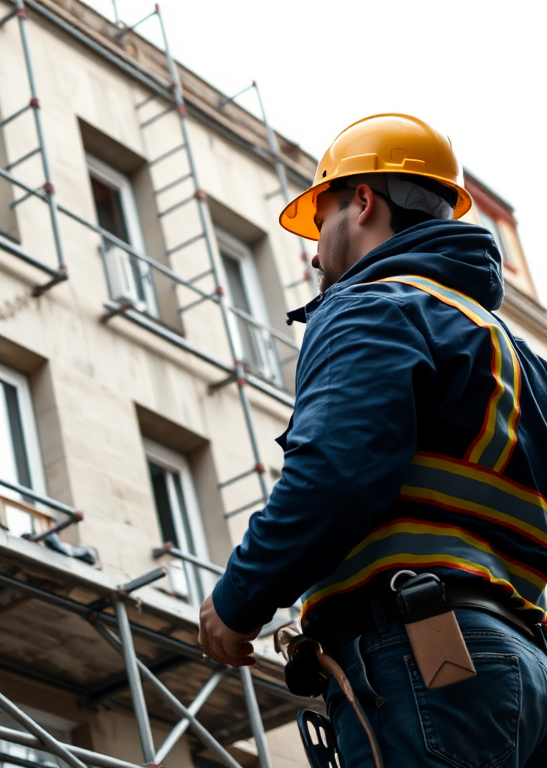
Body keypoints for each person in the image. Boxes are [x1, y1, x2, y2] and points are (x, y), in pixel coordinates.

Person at [198, 113, 547, 765]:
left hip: (422, 657)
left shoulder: (371, 305)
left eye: (321, 219)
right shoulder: (517, 355)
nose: (313, 252)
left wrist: (237, 599)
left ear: (361, 201)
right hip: (525, 669)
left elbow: (334, 474)